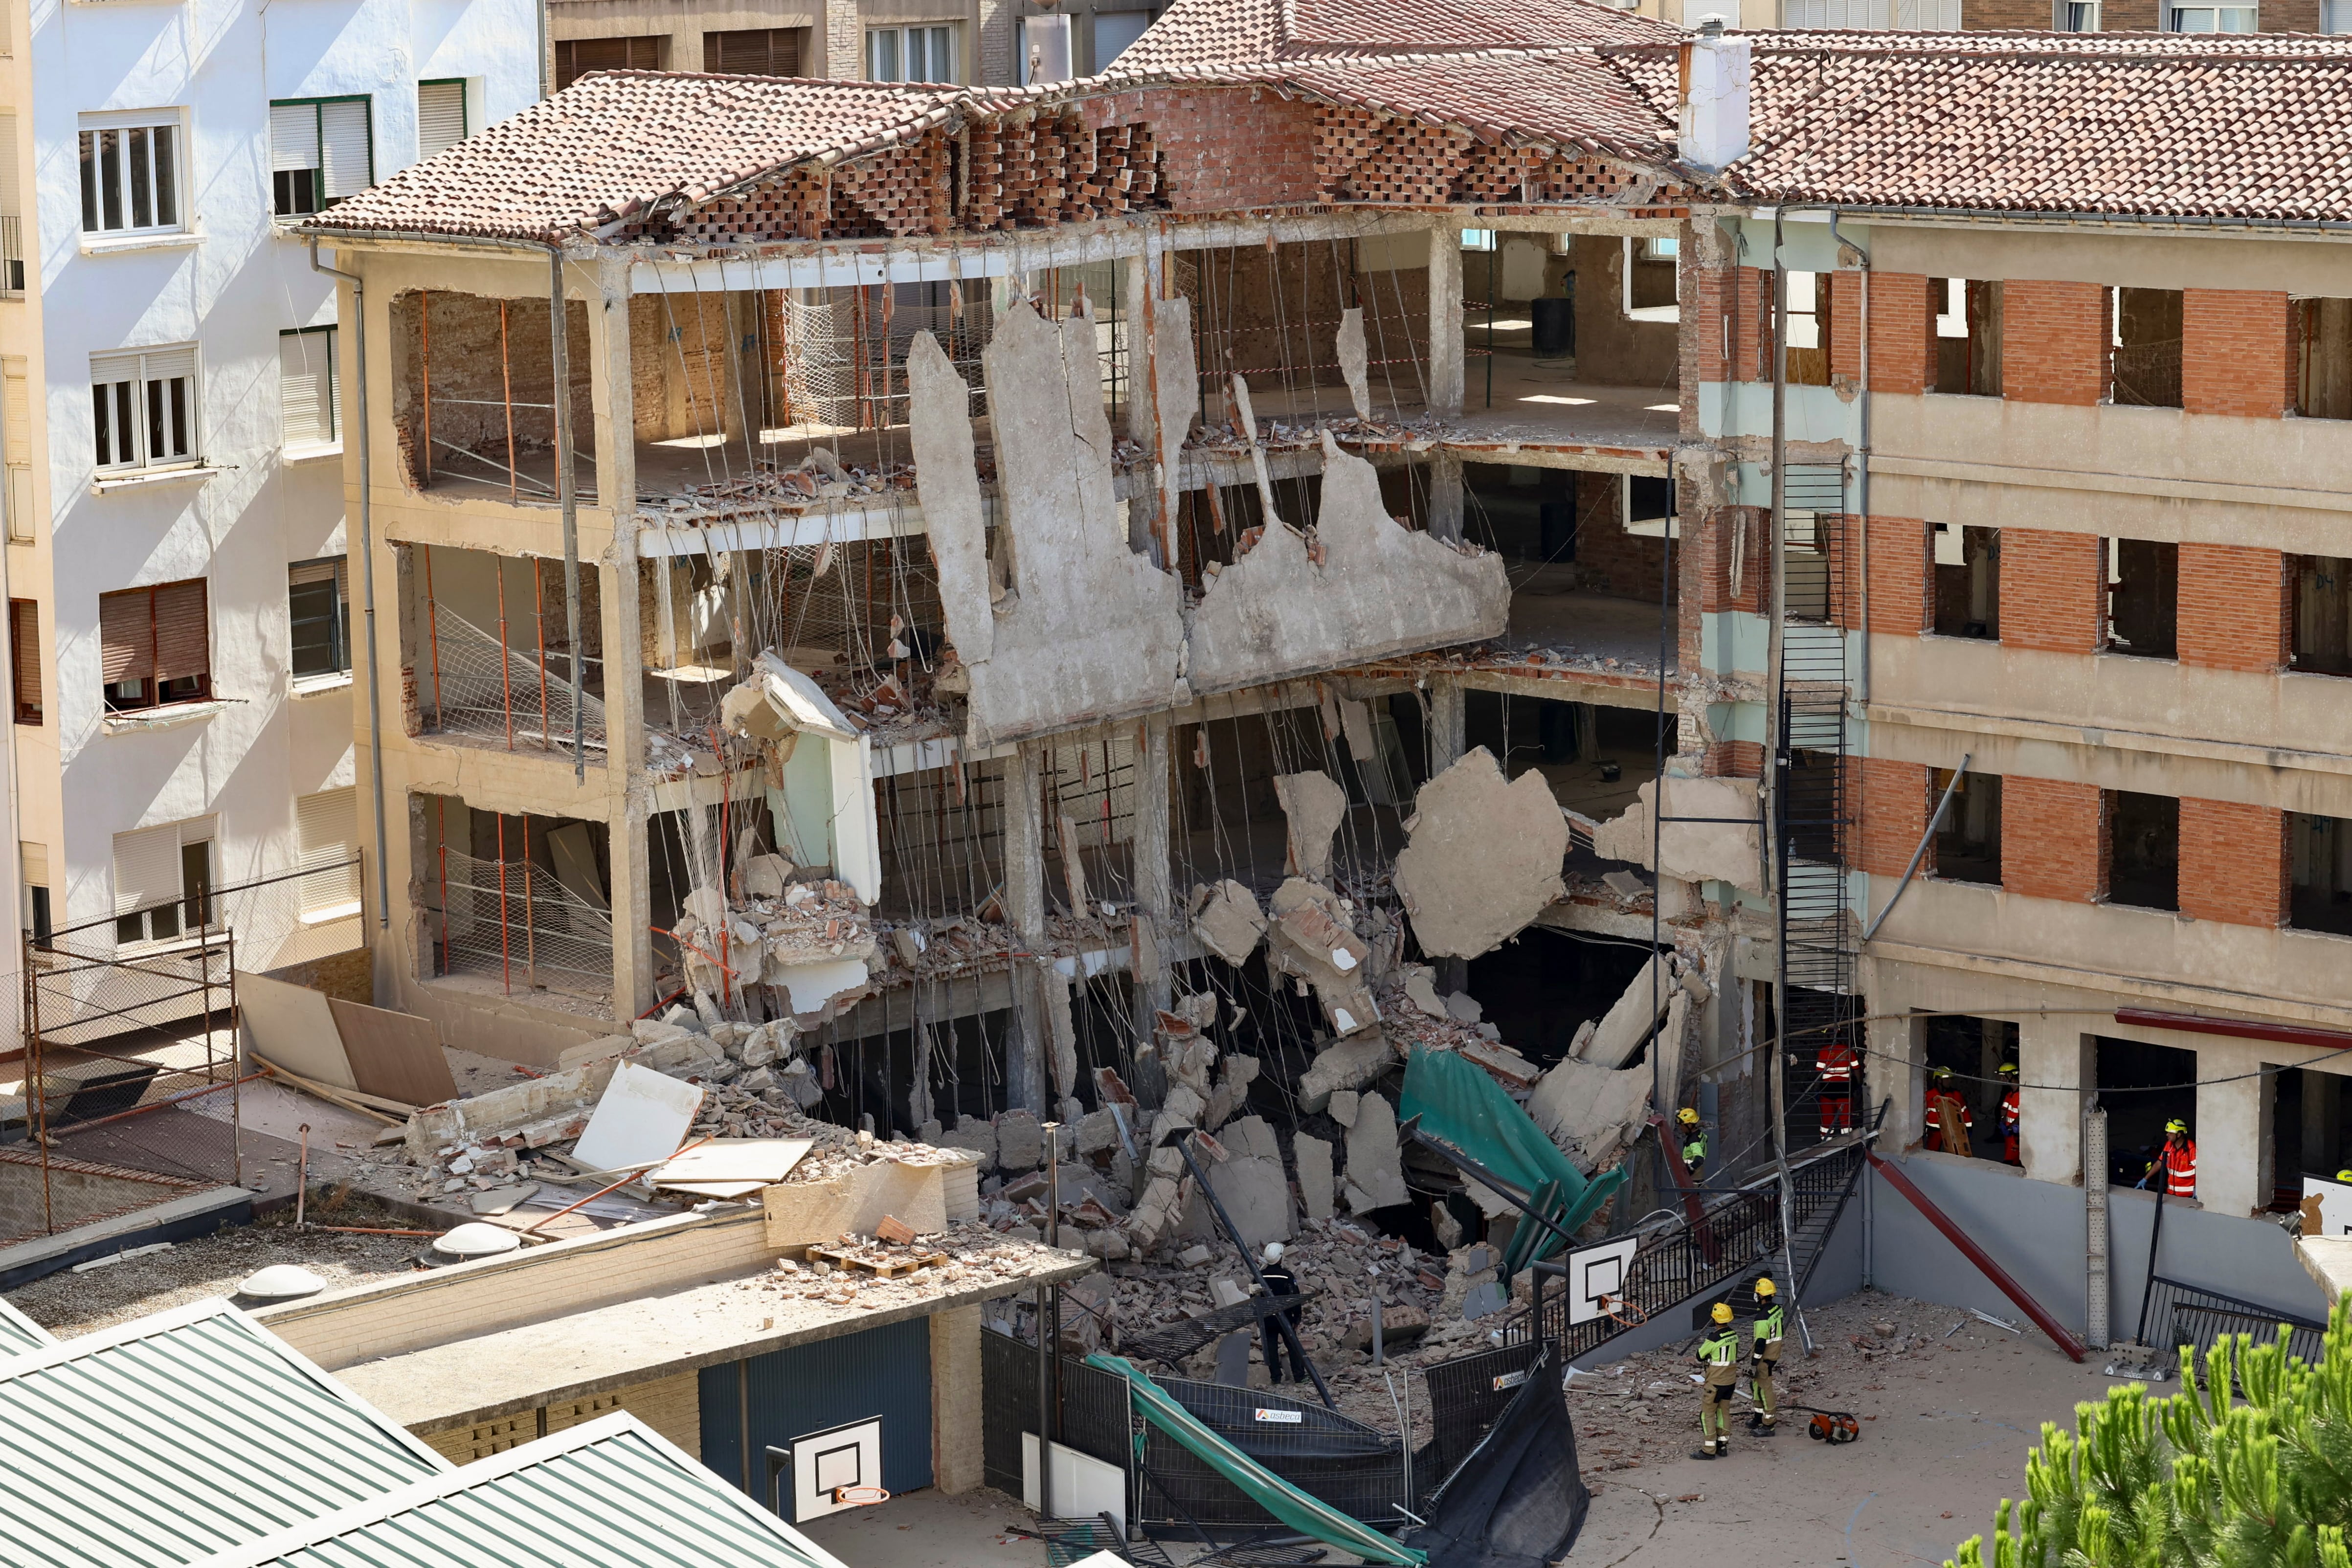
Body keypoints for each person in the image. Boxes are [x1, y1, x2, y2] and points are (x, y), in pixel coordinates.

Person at [1692, 1300, 1742, 1459]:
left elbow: (1699, 1356)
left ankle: (1709, 1450)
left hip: (1715, 1383)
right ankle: (1723, 1445)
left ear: (1714, 1320)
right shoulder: (1733, 1335)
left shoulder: (1713, 1339)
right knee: (1724, 1412)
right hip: (1730, 1382)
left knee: (1707, 1415)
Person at [1258, 1242, 1309, 1385]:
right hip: (1286, 1318)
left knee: (1271, 1349)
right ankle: (1299, 1377)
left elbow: (1254, 1299)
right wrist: (1297, 1318)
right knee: (1293, 1347)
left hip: (1267, 1319)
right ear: (1280, 1258)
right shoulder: (1286, 1276)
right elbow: (1295, 1298)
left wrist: (1259, 1319)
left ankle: (1276, 1378)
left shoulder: (1259, 1276)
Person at [1747, 1277, 1785, 1435]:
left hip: (1766, 1356)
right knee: (1757, 1386)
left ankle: (1769, 1424)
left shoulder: (1761, 1318)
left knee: (1764, 1388)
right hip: (1774, 1352)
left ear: (1761, 1296)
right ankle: (1758, 1416)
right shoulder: (1777, 1309)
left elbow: (1761, 1342)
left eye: (1757, 1293)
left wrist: (1755, 1361)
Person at [2141, 1120, 2196, 1199]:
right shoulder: (2169, 1145)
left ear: (2179, 1134)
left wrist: (2199, 1189)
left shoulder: (2191, 1148)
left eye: (2170, 1133)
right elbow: (2160, 1163)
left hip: (2188, 1196)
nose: (2167, 1135)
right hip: (2171, 1194)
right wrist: (2145, 1179)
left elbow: (2201, 1171)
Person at [1924, 1066, 1972, 1154]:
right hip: (1934, 1131)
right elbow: (1922, 1114)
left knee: (1955, 1153)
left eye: (1951, 1079)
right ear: (1939, 1080)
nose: (1950, 1082)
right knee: (1933, 1153)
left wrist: (1968, 1129)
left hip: (1952, 1130)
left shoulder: (1956, 1095)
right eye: (1947, 1079)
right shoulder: (1929, 1095)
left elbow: (1964, 1112)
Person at [1816, 1039, 1857, 1138]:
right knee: (1846, 1118)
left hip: (1827, 1088)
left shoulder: (1824, 1050)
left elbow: (1819, 1072)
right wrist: (1857, 1086)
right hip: (1844, 1088)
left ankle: (1826, 1142)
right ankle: (1847, 1143)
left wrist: (1818, 1088)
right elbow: (1857, 1069)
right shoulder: (1848, 1050)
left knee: (1827, 1117)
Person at [1998, 1063, 2021, 1164]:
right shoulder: (2010, 1094)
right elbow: (2006, 1110)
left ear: (2011, 1075)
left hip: (2015, 1134)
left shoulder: (2020, 1095)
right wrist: (2003, 1121)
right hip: (2009, 1132)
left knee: (2011, 1161)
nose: (2001, 1080)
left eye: (2003, 1077)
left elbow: (2022, 1115)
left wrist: (2012, 1127)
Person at [1678, 1107, 1709, 1181]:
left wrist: (1690, 1169)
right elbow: (1705, 1139)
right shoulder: (1699, 1134)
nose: (1681, 1128)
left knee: (1691, 1192)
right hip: (1698, 1172)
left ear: (1689, 1125)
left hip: (1694, 1175)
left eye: (1682, 1125)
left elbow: (1699, 1159)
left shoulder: (1694, 1141)